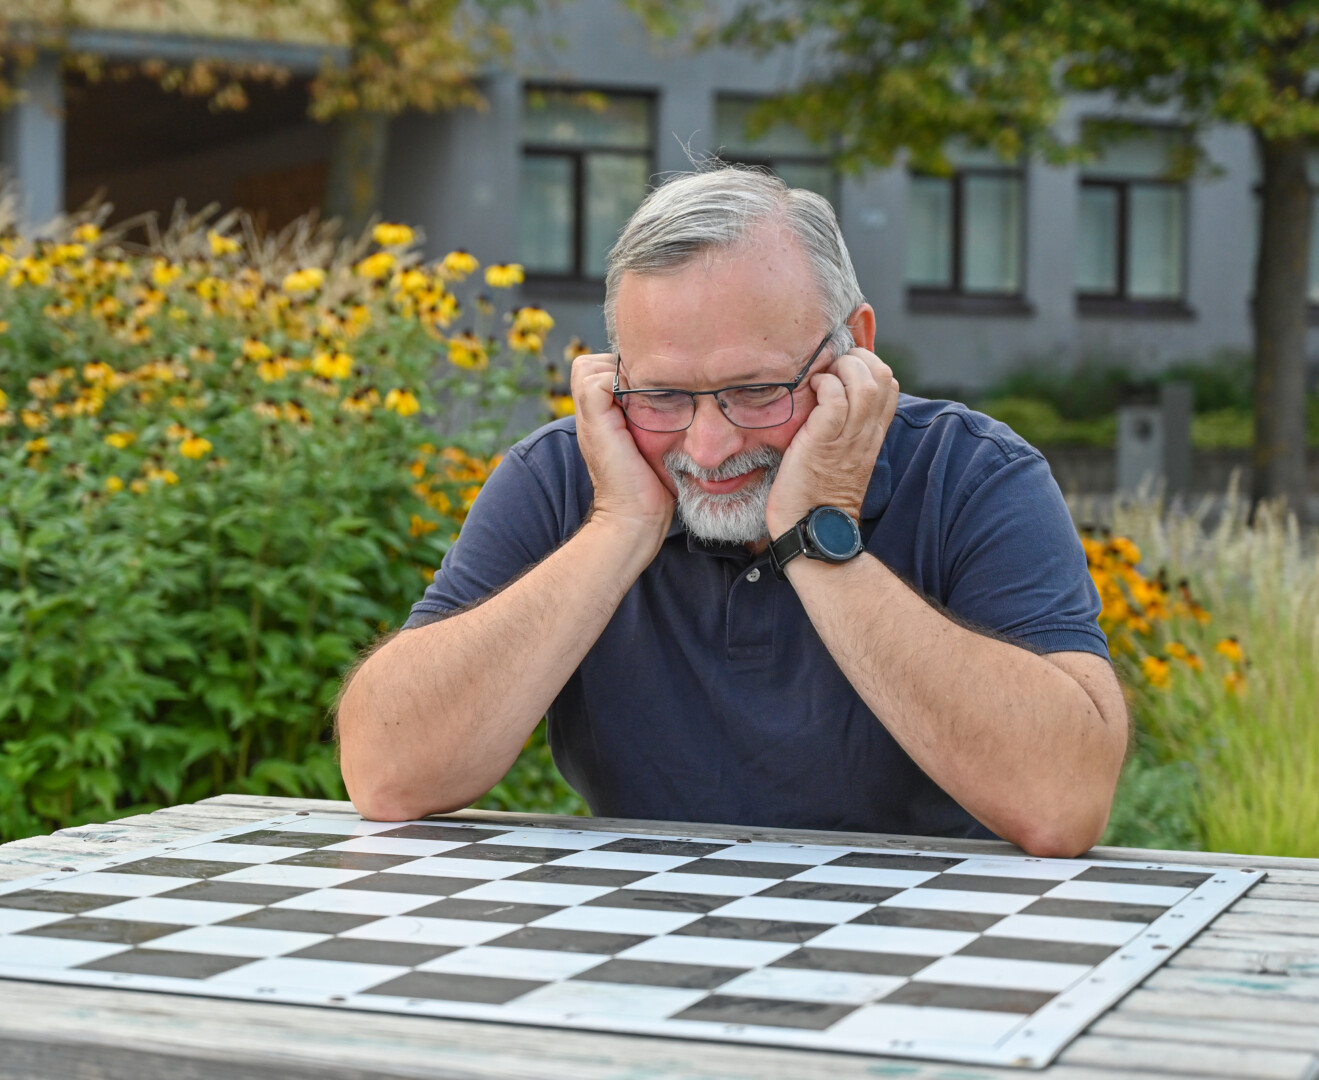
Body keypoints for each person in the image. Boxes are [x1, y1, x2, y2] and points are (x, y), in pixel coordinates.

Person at [336, 166, 1127, 857]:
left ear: (853, 348)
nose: (708, 448)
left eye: (755, 391)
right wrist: (618, 526)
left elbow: (1060, 804)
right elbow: (387, 773)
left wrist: (816, 535)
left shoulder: (973, 474)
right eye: (662, 395)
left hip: (937, 946)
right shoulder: (565, 473)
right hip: (638, 934)